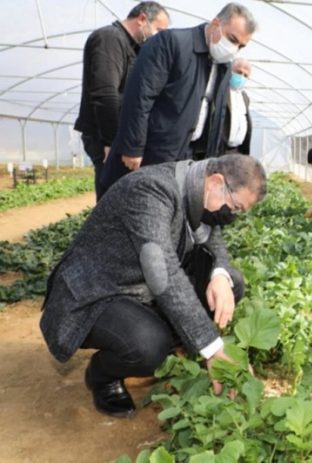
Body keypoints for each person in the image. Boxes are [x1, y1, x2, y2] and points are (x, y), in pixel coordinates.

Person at [40, 154, 267, 418]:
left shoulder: (196, 186)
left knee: (230, 283)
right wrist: (213, 347)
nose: (233, 216)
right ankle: (101, 375)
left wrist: (219, 276)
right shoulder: (150, 190)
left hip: (140, 287)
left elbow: (213, 238)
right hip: (98, 292)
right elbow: (163, 271)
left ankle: (181, 339)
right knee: (149, 346)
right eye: (236, 207)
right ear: (216, 182)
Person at [100, 3, 257, 194]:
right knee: (130, 202)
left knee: (163, 212)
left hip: (184, 159)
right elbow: (140, 96)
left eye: (241, 46)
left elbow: (217, 116)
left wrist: (211, 164)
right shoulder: (171, 43)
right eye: (232, 39)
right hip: (151, 153)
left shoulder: (223, 66)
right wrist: (132, 146)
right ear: (216, 24)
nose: (233, 49)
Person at [74, 2, 170, 200]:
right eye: (159, 30)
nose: (159, 37)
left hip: (118, 135)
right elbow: (105, 94)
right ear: (142, 19)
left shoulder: (132, 47)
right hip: (105, 135)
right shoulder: (109, 38)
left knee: (122, 194)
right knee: (111, 195)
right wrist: (111, 141)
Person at [223, 57, 253, 155]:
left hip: (237, 151)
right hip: (220, 149)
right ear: (231, 71)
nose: (242, 77)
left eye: (245, 75)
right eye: (239, 72)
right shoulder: (221, 91)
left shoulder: (245, 97)